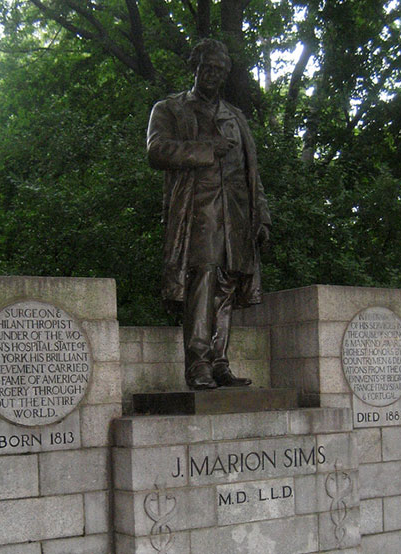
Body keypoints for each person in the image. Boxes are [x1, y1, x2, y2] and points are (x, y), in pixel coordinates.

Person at [147, 38, 271, 390]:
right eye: (207, 68)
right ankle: (197, 364)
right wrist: (206, 150)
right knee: (202, 281)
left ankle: (220, 363)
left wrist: (260, 215)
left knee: (227, 286)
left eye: (219, 70)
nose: (213, 75)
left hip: (236, 214)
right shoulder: (171, 109)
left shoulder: (236, 117)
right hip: (197, 212)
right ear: (195, 68)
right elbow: (156, 151)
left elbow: (252, 171)